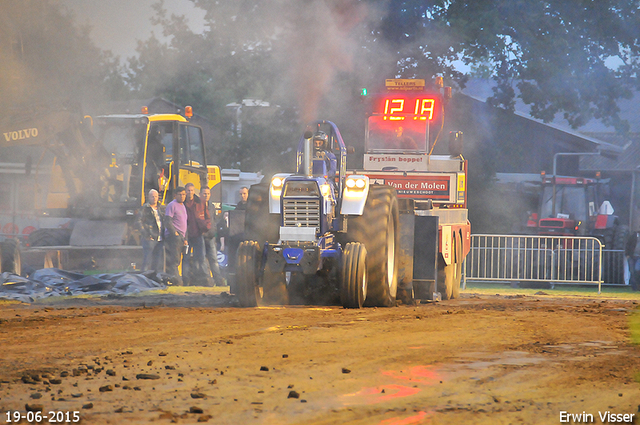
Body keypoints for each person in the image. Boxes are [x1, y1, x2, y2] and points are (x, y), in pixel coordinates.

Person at [199, 186, 226, 286]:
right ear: (200, 194)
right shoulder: (197, 206)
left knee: (214, 259)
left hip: (211, 236)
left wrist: (214, 230)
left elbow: (214, 220)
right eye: (204, 193)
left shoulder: (211, 206)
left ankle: (219, 281)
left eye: (208, 194)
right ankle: (207, 280)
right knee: (202, 259)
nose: (206, 195)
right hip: (200, 236)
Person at [183, 182, 208, 286]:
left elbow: (207, 217)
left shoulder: (199, 202)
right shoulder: (181, 203)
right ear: (185, 191)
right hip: (186, 236)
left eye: (192, 190)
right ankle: (186, 281)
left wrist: (207, 229)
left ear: (194, 191)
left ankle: (203, 280)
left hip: (198, 234)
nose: (190, 192)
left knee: (201, 258)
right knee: (186, 258)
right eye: (188, 190)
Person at [164, 187, 188, 286]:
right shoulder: (172, 205)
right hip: (174, 237)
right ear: (175, 195)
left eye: (183, 194)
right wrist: (175, 233)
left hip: (182, 236)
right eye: (180, 194)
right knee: (175, 260)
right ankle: (177, 282)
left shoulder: (183, 206)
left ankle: (176, 280)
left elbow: (185, 223)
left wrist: (185, 238)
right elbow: (168, 221)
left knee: (179, 259)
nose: (182, 196)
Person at [137, 189, 164, 272]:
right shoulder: (145, 208)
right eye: (152, 196)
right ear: (148, 197)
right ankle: (143, 279)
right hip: (150, 238)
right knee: (147, 261)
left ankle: (154, 280)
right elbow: (138, 221)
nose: (154, 198)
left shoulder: (161, 208)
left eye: (156, 196)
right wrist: (146, 235)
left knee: (157, 261)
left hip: (160, 238)